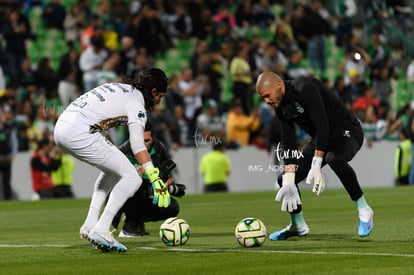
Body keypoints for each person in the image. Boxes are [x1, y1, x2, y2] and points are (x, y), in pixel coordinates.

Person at [53, 68, 171, 252]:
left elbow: (98, 116)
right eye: (160, 97)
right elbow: (138, 145)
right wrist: (155, 178)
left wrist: (112, 148)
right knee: (133, 178)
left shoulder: (119, 88)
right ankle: (102, 229)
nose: (158, 102)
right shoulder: (137, 104)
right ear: (154, 92)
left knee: (114, 170)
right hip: (79, 131)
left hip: (61, 128)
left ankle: (90, 224)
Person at [255, 72, 374, 241]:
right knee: (285, 180)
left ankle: (364, 209)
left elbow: (323, 126)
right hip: (320, 138)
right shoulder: (280, 105)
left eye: (267, 96)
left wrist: (316, 165)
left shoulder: (304, 88)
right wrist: (290, 178)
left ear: (279, 86)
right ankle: (298, 225)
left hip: (347, 131)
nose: (266, 101)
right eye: (262, 98)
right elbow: (288, 141)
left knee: (334, 159)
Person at [112, 122, 186, 237]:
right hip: (122, 198)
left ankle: (136, 220)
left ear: (153, 139)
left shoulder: (159, 148)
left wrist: (168, 185)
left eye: (147, 141)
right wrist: (136, 174)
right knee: (135, 183)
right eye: (139, 141)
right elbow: (114, 182)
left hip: (148, 193)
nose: (143, 145)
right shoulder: (123, 152)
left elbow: (166, 175)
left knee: (172, 207)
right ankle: (130, 225)